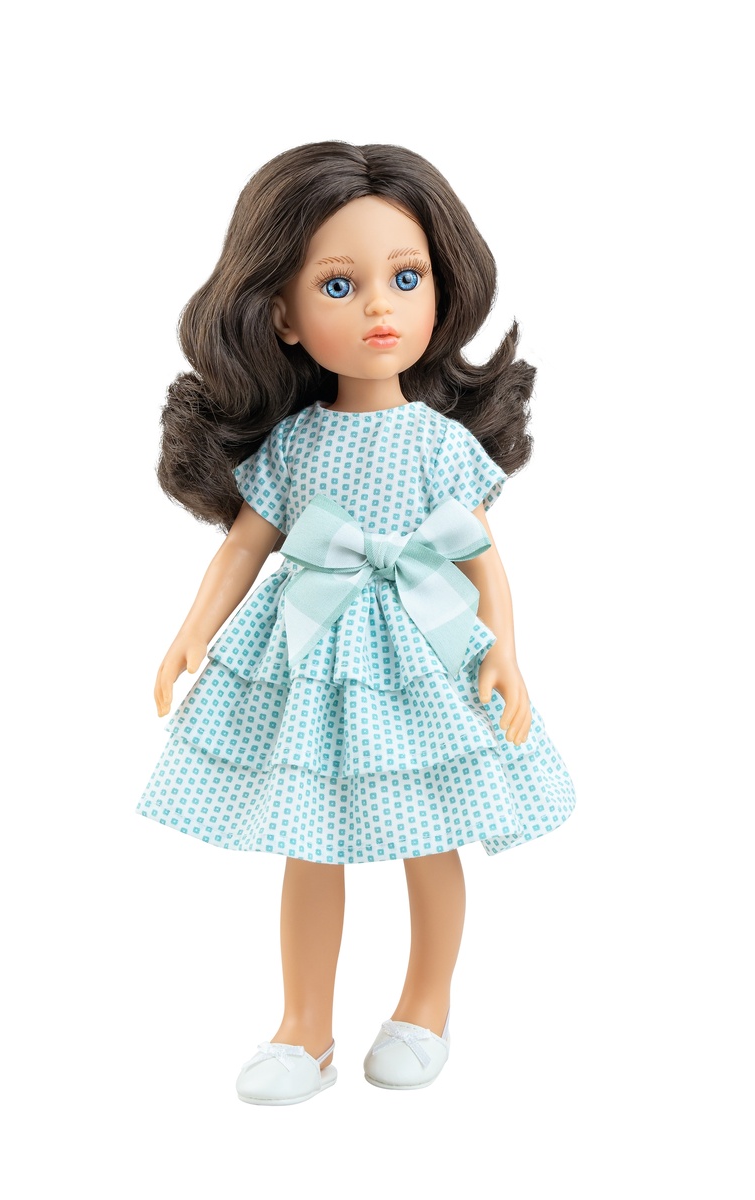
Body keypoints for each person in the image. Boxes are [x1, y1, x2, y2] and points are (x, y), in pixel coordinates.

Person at [137, 142, 576, 1106]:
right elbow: (245, 546)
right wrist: (192, 630)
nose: (381, 306)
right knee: (308, 837)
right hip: (309, 650)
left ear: (439, 291)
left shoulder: (437, 441)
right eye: (340, 285)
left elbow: (480, 555)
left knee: (431, 829)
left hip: (421, 653)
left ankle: (424, 1004)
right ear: (281, 316)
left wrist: (504, 652)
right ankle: (304, 1026)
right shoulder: (293, 443)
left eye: (404, 278)